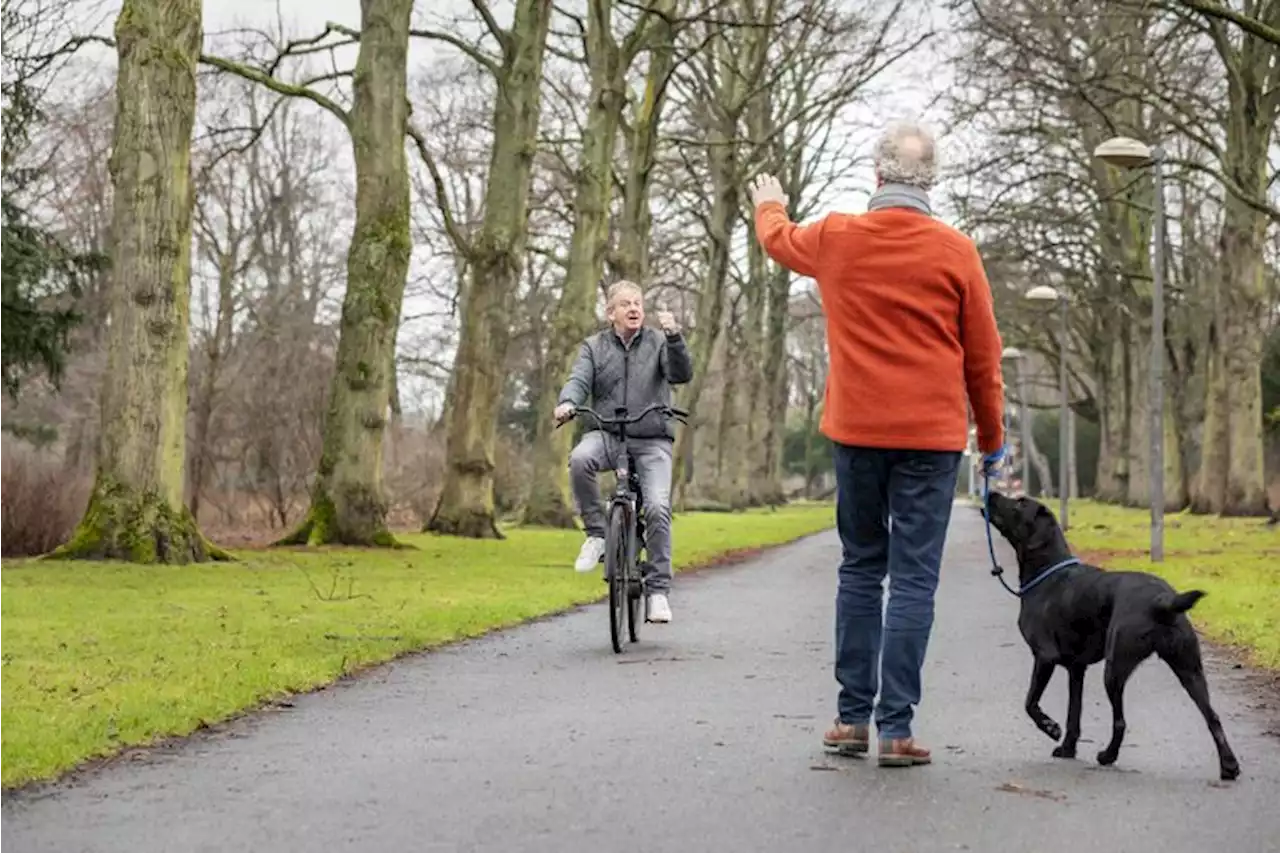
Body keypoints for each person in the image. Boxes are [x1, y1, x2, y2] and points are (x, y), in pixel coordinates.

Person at [748, 121, 1006, 767]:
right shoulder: (956, 251)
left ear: (878, 175)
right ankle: (896, 728)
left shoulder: (837, 236)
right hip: (932, 437)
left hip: (858, 430)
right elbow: (983, 359)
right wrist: (993, 441)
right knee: (915, 577)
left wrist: (768, 202)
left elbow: (778, 241)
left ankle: (848, 718)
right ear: (932, 182)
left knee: (862, 566)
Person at [554, 280, 694, 624]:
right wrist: (569, 402)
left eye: (638, 303)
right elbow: (579, 379)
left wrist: (675, 337)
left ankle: (658, 590)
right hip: (607, 433)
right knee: (580, 459)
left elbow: (681, 374)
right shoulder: (594, 347)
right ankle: (597, 534)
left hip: (651, 438)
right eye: (626, 304)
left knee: (659, 508)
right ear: (610, 312)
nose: (634, 309)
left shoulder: (659, 342)